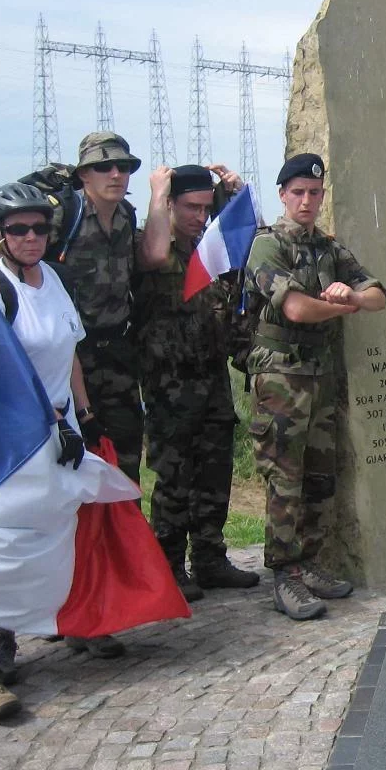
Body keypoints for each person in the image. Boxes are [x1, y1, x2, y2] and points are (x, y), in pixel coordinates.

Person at [0, 184, 97, 719]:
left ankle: (14, 639)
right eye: (19, 229)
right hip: (2, 446)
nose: (32, 237)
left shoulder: (53, 279)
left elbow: (70, 348)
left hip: (53, 435)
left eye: (40, 228)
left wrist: (83, 411)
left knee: (34, 542)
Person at [244, 153, 386, 620]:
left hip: (320, 376)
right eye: (298, 193)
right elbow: (296, 310)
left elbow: (378, 295)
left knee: (320, 476)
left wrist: (353, 294)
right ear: (283, 195)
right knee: (284, 478)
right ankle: (284, 576)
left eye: (314, 193)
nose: (307, 201)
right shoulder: (268, 246)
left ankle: (309, 562)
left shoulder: (328, 249)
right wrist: (347, 307)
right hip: (281, 378)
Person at [135, 164, 260, 601]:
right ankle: (169, 565)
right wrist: (156, 194)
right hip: (169, 383)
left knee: (214, 471)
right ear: (170, 204)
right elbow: (149, 258)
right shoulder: (153, 245)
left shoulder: (211, 247)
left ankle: (209, 557)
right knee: (174, 479)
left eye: (206, 208)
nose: (199, 216)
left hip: (211, 376)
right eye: (190, 207)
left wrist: (236, 194)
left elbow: (251, 243)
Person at [65, 131, 172, 483]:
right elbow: (8, 251)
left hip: (117, 354)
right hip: (72, 359)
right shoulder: (64, 216)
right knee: (71, 459)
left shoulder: (125, 214)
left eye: (123, 167)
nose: (115, 174)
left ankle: (122, 536)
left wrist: (160, 195)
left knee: (126, 462)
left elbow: (155, 255)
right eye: (103, 166)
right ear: (84, 174)